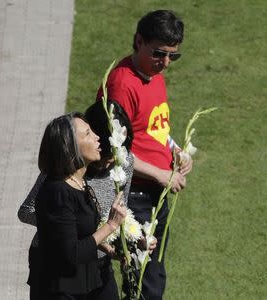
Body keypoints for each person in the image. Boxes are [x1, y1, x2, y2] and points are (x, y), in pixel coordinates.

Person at [96, 9, 192, 299]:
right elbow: (113, 150)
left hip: (155, 195)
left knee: (153, 274)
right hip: (134, 196)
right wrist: (161, 173)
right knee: (140, 279)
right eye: (159, 54)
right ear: (139, 41)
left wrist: (175, 149)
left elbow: (153, 129)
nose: (164, 64)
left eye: (172, 56)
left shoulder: (154, 76)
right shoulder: (122, 85)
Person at [19, 103, 156, 299]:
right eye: (89, 134)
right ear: (72, 146)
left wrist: (133, 241)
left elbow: (117, 215)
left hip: (94, 267)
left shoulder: (94, 177)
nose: (111, 162)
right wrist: (94, 228)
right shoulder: (59, 184)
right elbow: (30, 213)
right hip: (60, 276)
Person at [28, 112, 127, 299]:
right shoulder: (57, 192)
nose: (98, 137)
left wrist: (110, 247)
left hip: (84, 284)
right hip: (60, 290)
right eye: (88, 134)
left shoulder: (79, 184)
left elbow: (79, 233)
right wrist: (111, 225)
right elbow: (71, 253)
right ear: (70, 147)